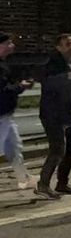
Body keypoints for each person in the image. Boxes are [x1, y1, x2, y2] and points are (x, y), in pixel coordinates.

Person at [34, 33, 71, 199]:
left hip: (67, 113)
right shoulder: (52, 63)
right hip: (52, 114)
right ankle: (43, 184)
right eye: (67, 44)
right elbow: (46, 82)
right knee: (57, 150)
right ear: (58, 47)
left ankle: (62, 183)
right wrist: (65, 77)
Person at [0, 32, 33, 190]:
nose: (12, 46)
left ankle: (24, 178)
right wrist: (21, 86)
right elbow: (3, 91)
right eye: (8, 43)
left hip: (6, 114)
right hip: (1, 115)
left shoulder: (3, 64)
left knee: (14, 147)